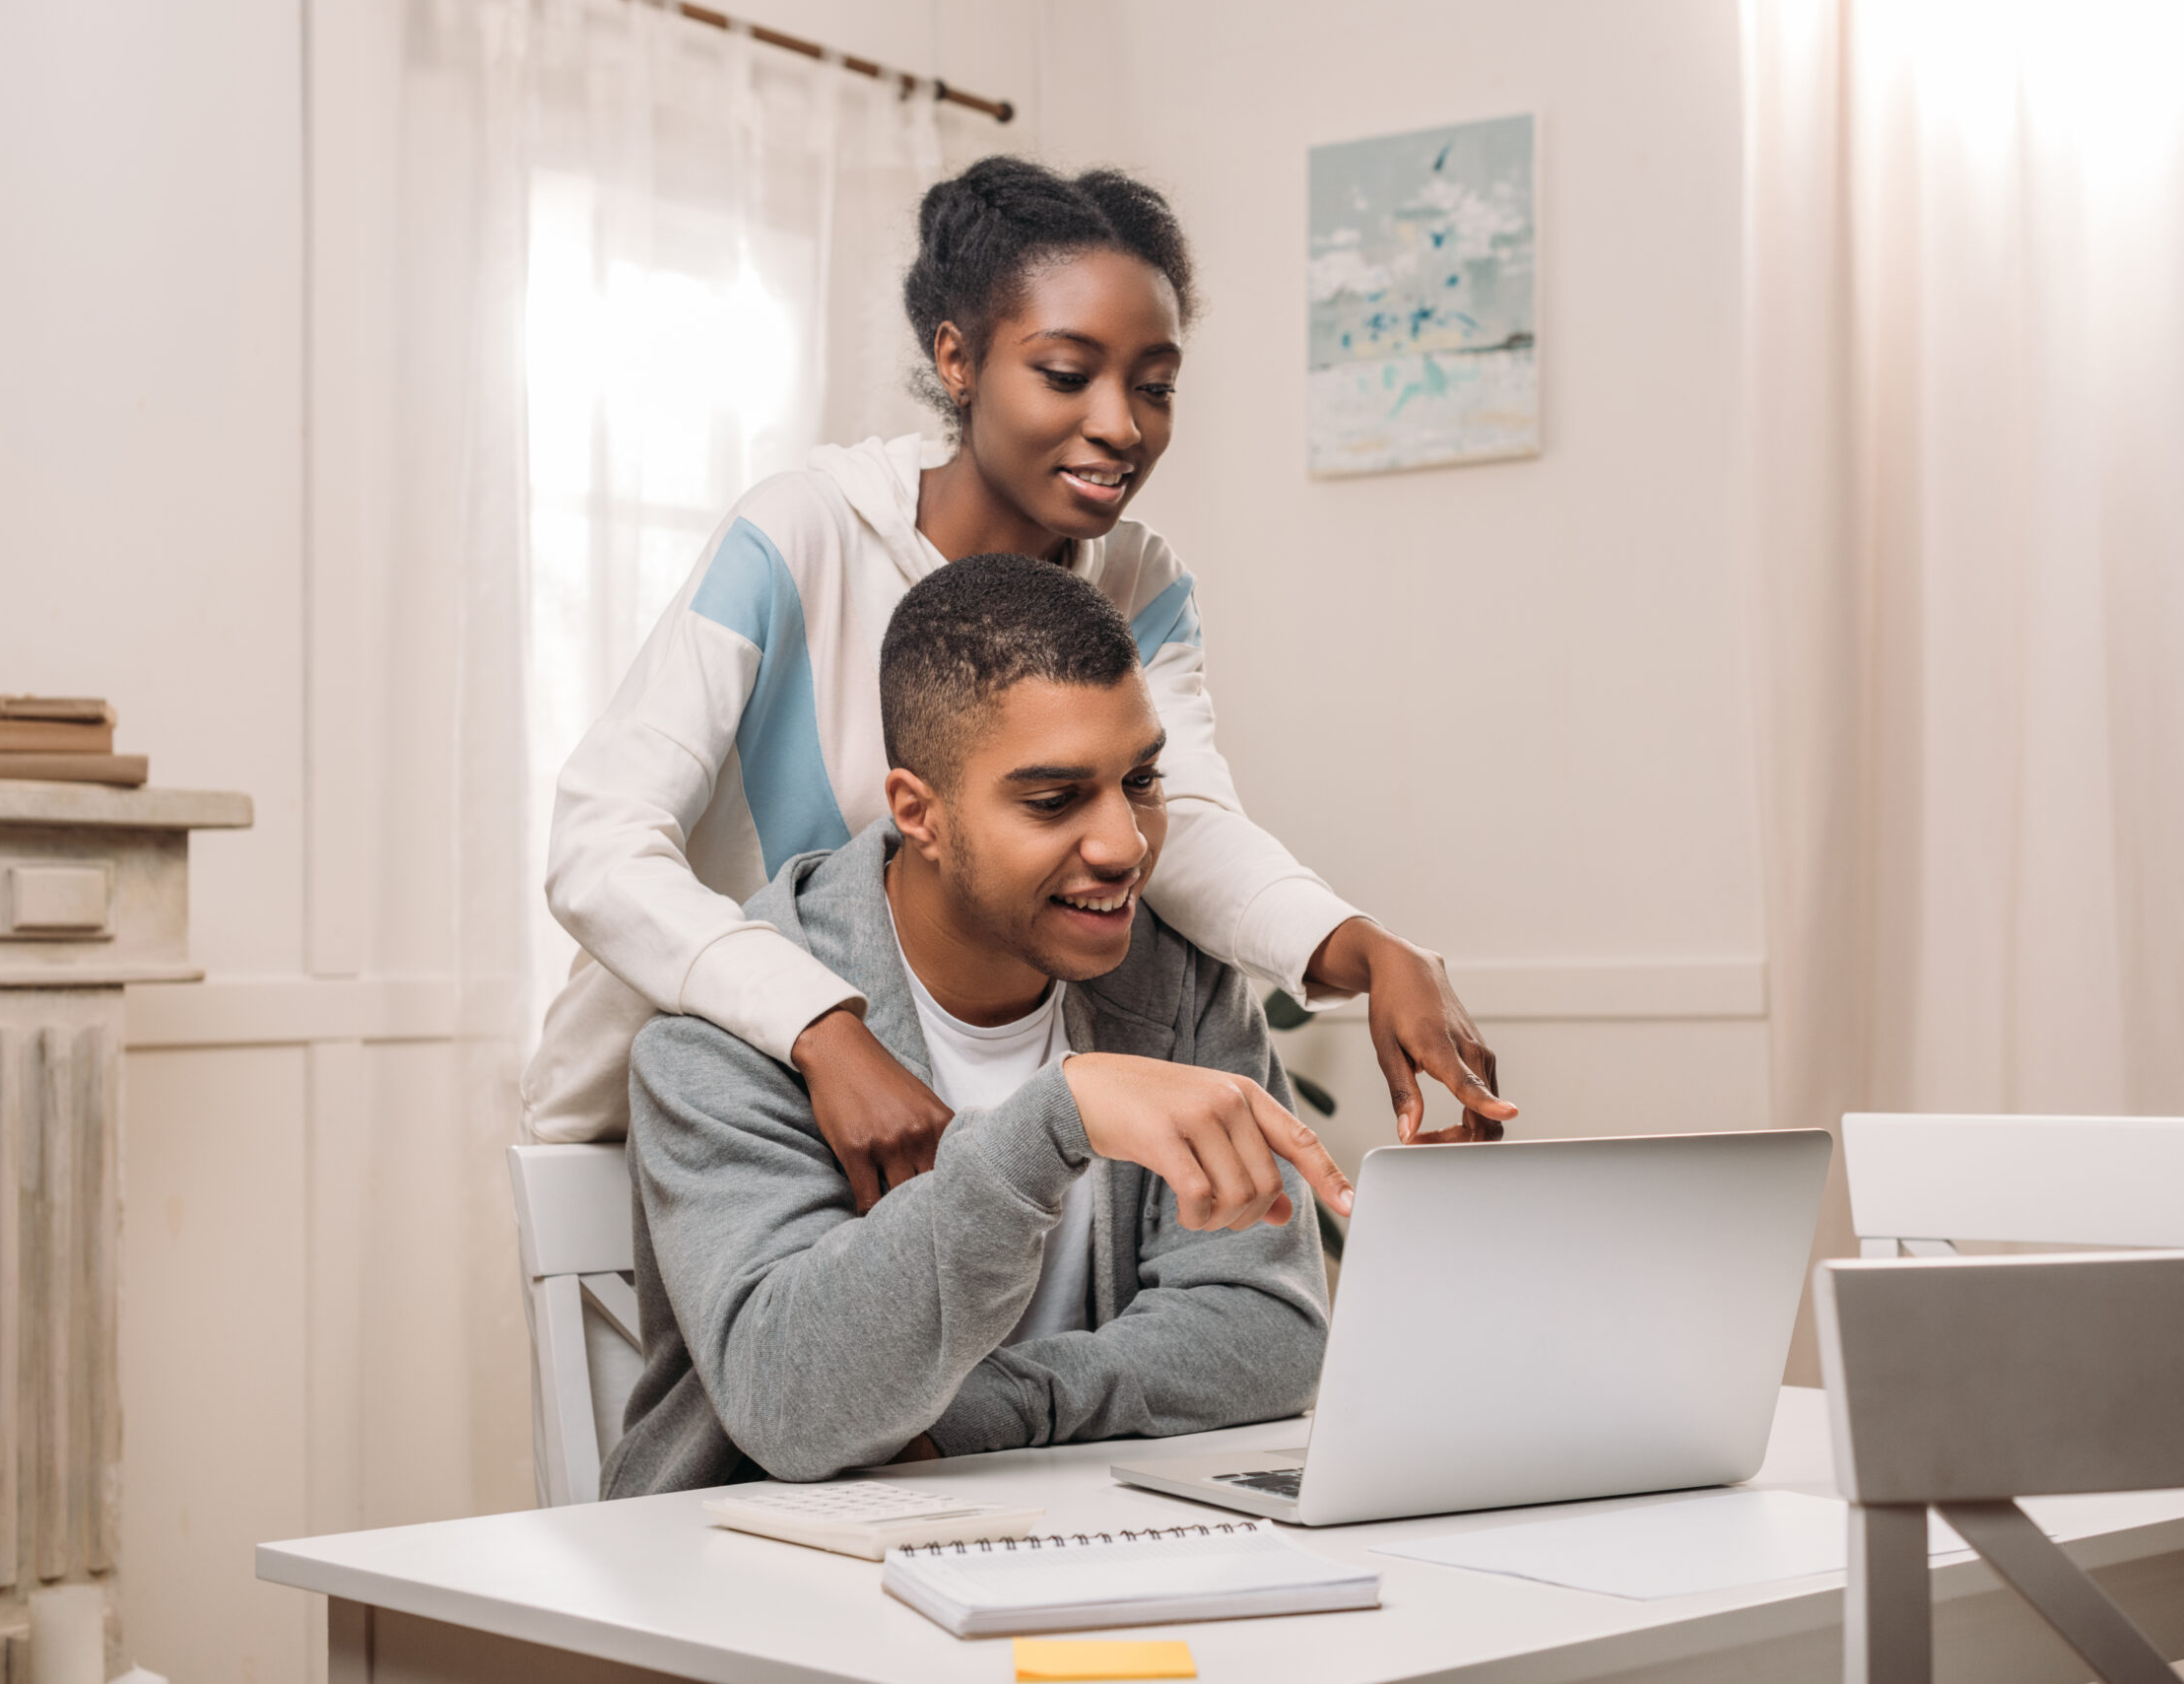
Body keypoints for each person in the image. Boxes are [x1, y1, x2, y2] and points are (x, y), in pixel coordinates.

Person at [525, 156, 1515, 1203]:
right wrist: (816, 1021)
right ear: (957, 359)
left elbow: (1178, 818)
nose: (1122, 425)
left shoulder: (1140, 580)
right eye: (1065, 373)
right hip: (686, 1115)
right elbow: (600, 844)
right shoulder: (799, 534)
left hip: (922, 1127)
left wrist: (1356, 943)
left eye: (1154, 385)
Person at [604, 556, 1345, 1495]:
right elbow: (792, 1406)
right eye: (1053, 799)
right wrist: (1054, 1121)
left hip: (1086, 1547)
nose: (1123, 844)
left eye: (1142, 779)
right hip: (765, 1578)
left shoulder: (1181, 985)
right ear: (920, 812)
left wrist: (993, 1411)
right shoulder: (724, 1034)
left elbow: (1264, 1332)